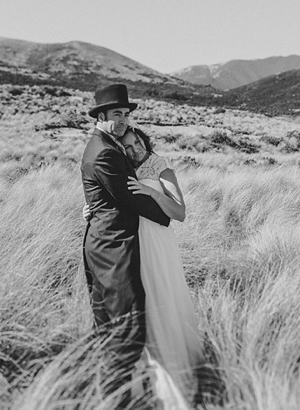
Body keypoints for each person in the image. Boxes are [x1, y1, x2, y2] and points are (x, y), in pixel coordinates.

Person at [80, 84, 171, 406]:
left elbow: (106, 193)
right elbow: (126, 196)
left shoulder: (107, 144)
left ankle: (118, 392)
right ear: (101, 115)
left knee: (109, 323)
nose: (122, 120)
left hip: (107, 242)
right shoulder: (104, 150)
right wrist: (167, 215)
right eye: (116, 113)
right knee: (126, 326)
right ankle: (116, 398)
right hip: (113, 247)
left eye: (126, 114)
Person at [120, 127, 205, 406]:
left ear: (145, 141)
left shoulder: (161, 168)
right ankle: (148, 376)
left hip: (159, 240)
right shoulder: (123, 171)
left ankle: (175, 374)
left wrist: (149, 191)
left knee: (163, 295)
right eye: (129, 147)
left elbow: (180, 212)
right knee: (143, 300)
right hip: (136, 243)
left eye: (138, 143)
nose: (136, 150)